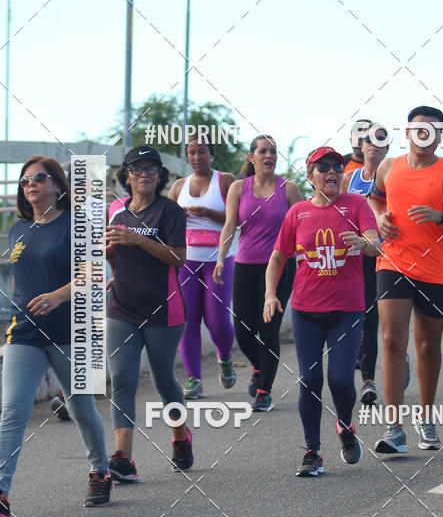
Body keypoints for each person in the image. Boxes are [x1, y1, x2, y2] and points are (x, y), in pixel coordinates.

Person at [0, 157, 112, 517]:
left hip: (72, 331)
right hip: (25, 334)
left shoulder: (77, 223)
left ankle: (100, 472)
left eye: (40, 177)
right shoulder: (18, 229)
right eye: (25, 179)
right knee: (13, 411)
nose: (31, 183)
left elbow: (94, 272)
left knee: (81, 409)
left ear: (58, 185)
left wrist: (58, 296)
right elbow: (21, 279)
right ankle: (1, 493)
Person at [264, 146, 380, 476]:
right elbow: (277, 258)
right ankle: (312, 451)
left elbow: (375, 244)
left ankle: (345, 426)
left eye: (337, 167)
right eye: (323, 167)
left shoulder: (356, 204)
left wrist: (363, 243)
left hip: (346, 310)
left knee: (341, 380)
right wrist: (270, 294)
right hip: (305, 311)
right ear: (310, 175)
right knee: (310, 379)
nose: (332, 172)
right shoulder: (297, 212)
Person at [369, 105, 443, 453]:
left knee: (428, 347)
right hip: (393, 262)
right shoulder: (389, 166)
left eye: (431, 129)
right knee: (391, 341)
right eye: (417, 129)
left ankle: (426, 418)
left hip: (434, 270)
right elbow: (375, 198)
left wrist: (440, 216)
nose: (423, 135)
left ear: (440, 135)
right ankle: (394, 428)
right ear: (408, 132)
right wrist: (380, 218)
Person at [106, 146, 190, 481]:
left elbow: (179, 258)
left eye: (151, 169)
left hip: (163, 307)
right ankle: (123, 458)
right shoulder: (117, 211)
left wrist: (139, 241)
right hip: (122, 308)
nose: (144, 174)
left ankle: (181, 437)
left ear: (160, 175)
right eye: (137, 169)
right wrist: (114, 268)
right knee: (122, 380)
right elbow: (114, 249)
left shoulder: (169, 211)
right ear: (126, 176)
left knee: (163, 381)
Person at [214, 135, 303, 412]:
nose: (269, 156)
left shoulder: (288, 189)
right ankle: (257, 366)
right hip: (245, 264)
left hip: (280, 266)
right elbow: (230, 226)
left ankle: (264, 390)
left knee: (269, 328)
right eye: (263, 151)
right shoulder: (239, 188)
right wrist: (220, 259)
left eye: (273, 151)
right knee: (242, 328)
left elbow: (303, 230)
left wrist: (304, 265)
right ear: (251, 157)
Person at [341, 123, 409, 405]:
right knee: (367, 316)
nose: (374, 146)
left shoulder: (395, 175)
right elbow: (339, 212)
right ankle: (368, 380)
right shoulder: (350, 177)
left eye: (381, 141)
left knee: (390, 324)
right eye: (369, 141)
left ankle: (399, 354)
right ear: (362, 146)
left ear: (387, 148)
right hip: (360, 256)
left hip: (390, 254)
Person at [168, 131, 236, 398]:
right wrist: (178, 217)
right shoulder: (178, 187)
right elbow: (166, 224)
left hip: (218, 260)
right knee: (188, 320)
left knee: (217, 320)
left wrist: (208, 213)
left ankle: (225, 357)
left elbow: (237, 220)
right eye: (192, 152)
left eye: (202, 151)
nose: (197, 157)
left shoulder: (226, 182)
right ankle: (194, 379)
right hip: (186, 261)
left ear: (212, 153)